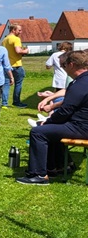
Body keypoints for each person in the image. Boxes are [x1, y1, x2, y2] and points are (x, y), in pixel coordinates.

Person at [16, 50, 88, 184]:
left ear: (71, 64)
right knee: (51, 129)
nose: (63, 68)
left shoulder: (79, 84)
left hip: (82, 128)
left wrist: (48, 121)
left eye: (64, 65)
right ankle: (56, 167)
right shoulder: (83, 81)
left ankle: (39, 175)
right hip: (82, 124)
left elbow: (66, 110)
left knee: (38, 132)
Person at [2, 23, 29, 108]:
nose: (21, 32)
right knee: (18, 83)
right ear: (13, 30)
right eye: (19, 30)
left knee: (6, 84)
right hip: (16, 65)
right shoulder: (16, 39)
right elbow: (18, 51)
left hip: (7, 65)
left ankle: (4, 103)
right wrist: (26, 51)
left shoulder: (5, 40)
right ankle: (16, 102)